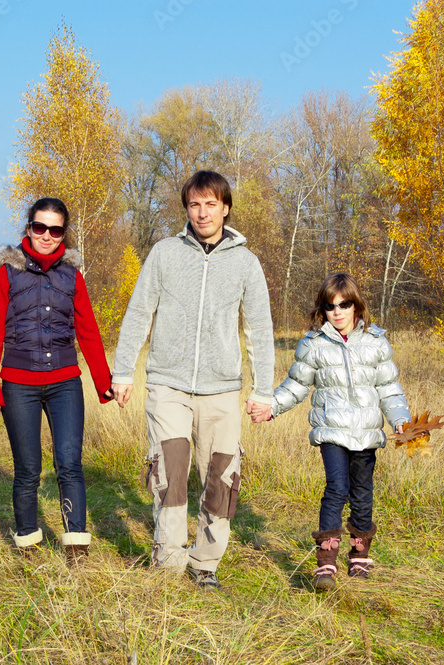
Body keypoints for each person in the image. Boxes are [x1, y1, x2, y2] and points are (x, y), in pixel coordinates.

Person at [111, 170, 275, 589]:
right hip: (168, 384)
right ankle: (167, 563)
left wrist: (264, 390)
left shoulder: (246, 263)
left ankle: (205, 564)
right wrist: (123, 371)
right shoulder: (165, 253)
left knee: (221, 478)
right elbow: (138, 312)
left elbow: (259, 328)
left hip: (221, 390)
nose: (202, 213)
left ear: (225, 208)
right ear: (187, 209)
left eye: (210, 204)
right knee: (170, 472)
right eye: (194, 204)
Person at [0, 197, 113, 563]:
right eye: (40, 227)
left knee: (69, 463)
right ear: (28, 229)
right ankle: (28, 543)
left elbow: (88, 330)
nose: (47, 236)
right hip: (18, 384)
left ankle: (76, 546)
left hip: (65, 382)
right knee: (28, 469)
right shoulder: (6, 274)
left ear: (63, 234)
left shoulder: (73, 276)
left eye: (56, 230)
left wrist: (104, 382)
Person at [269, 273, 409, 590]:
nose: (338, 312)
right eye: (331, 306)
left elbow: (389, 389)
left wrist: (400, 419)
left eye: (344, 304)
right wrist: (271, 406)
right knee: (336, 489)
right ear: (323, 310)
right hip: (331, 430)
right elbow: (297, 384)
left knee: (361, 493)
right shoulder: (314, 344)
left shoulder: (375, 343)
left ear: (355, 305)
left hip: (366, 433)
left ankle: (359, 555)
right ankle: (326, 566)